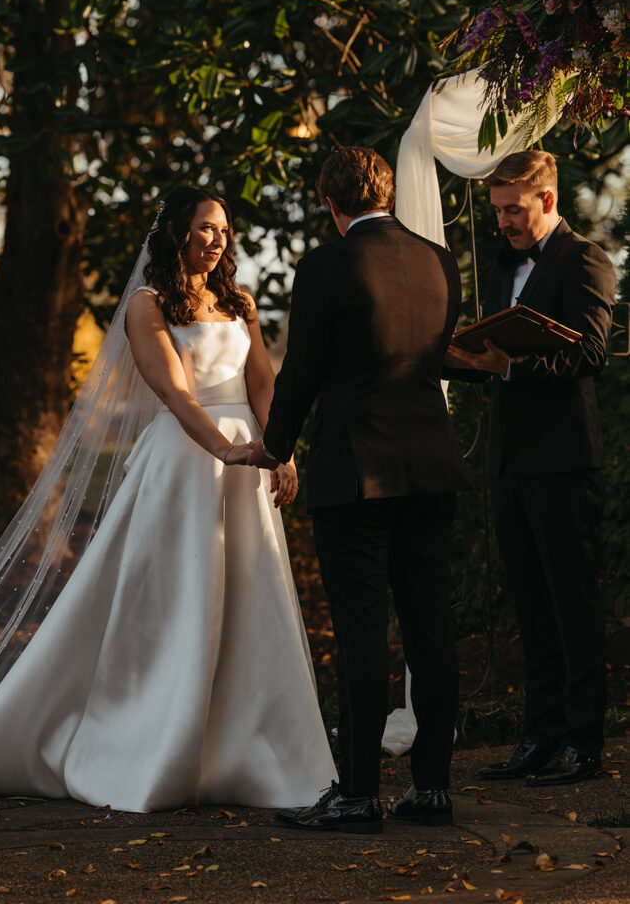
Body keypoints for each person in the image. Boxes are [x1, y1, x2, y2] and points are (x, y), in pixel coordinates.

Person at [0, 186, 337, 812]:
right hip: (187, 461)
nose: (219, 239)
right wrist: (226, 450)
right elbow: (177, 394)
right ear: (178, 232)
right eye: (207, 227)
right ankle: (149, 741)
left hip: (249, 460)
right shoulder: (146, 305)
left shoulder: (238, 302)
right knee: (181, 598)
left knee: (250, 600)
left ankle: (251, 750)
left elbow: (263, 380)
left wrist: (279, 449)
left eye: (224, 228)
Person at [247, 146, 471, 831]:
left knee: (360, 633)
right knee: (430, 627)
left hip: (356, 472)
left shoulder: (326, 265)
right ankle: (431, 789)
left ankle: (357, 795)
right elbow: (432, 356)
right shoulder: (438, 260)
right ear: (392, 196)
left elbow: (301, 372)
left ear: (329, 202)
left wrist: (274, 447)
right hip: (430, 464)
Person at [446, 150, 616, 786]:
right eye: (497, 211)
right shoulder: (500, 263)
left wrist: (510, 369)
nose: (505, 222)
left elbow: (591, 355)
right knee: (530, 607)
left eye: (514, 209)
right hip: (510, 461)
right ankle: (539, 737)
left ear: (547, 200)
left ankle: (583, 743)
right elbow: (497, 350)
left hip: (565, 461)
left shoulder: (586, 260)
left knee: (572, 603)